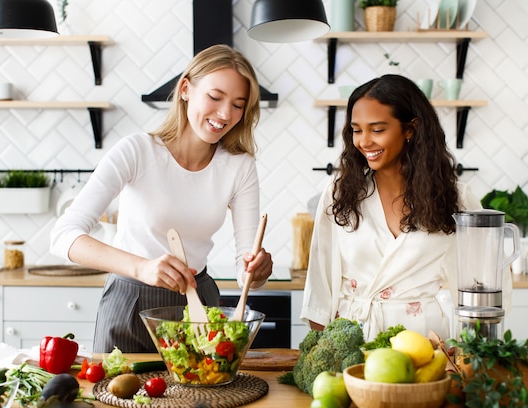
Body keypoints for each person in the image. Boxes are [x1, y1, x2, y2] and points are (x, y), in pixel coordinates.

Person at [50, 44, 273, 353]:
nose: (225, 114)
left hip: (199, 307)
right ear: (185, 89)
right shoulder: (137, 151)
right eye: (215, 96)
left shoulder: (240, 166)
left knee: (200, 401)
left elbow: (244, 270)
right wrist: (142, 268)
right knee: (116, 399)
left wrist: (256, 272)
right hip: (130, 304)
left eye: (238, 104)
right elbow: (63, 236)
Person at [300, 74, 484, 342]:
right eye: (356, 129)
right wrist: (320, 355)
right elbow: (320, 286)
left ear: (410, 129)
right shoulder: (340, 195)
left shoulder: (457, 199)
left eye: (377, 129)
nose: (364, 141)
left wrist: (470, 354)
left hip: (429, 344)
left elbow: (479, 286)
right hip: (355, 342)